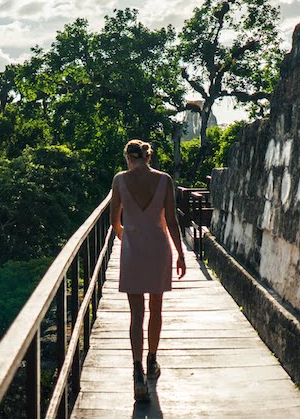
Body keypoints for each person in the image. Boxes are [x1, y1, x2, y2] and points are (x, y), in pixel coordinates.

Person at [109, 139, 186, 403]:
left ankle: (137, 371)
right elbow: (173, 221)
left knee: (136, 314)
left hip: (133, 252)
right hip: (158, 249)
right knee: (156, 308)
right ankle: (152, 359)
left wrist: (128, 236)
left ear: (127, 157)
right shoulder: (164, 180)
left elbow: (114, 221)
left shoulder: (120, 180)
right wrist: (180, 254)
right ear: (148, 157)